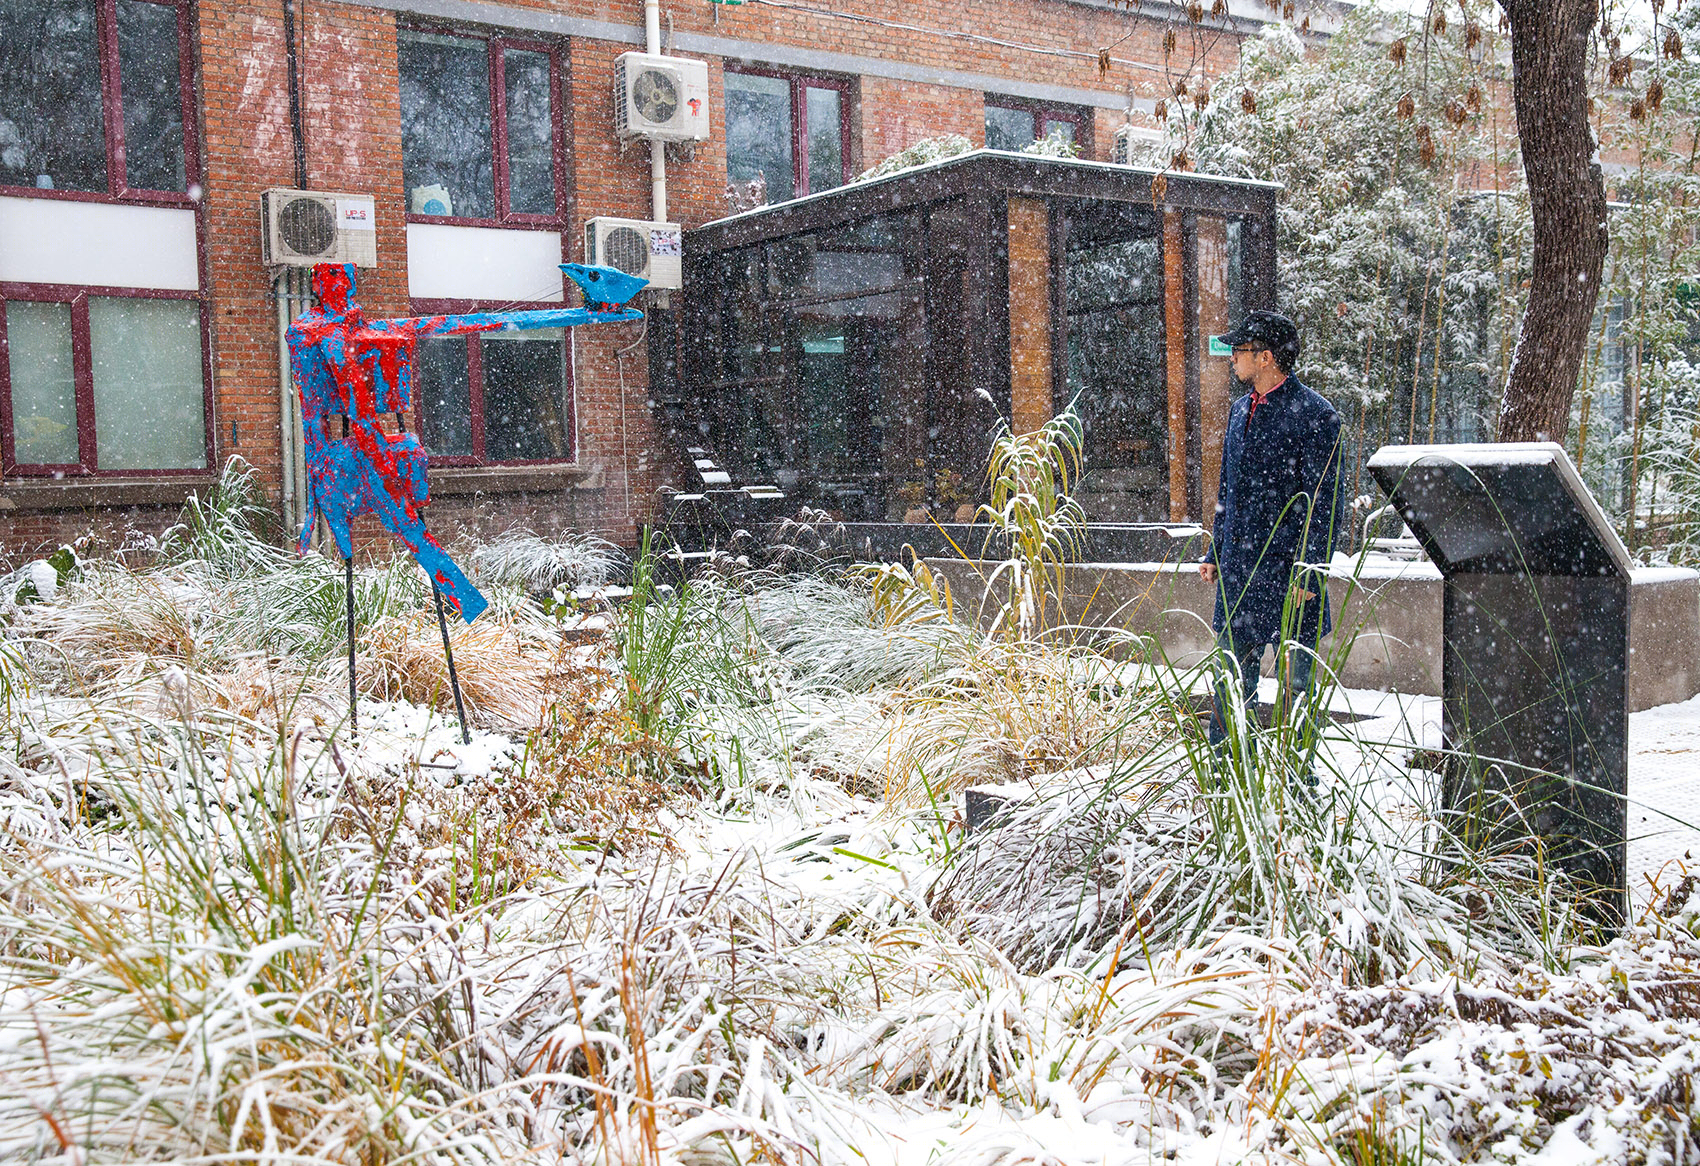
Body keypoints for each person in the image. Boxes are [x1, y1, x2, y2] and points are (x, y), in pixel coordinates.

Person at [1197, 310, 1345, 753]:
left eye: (1238, 351)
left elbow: (1326, 503)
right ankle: (1229, 773)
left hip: (1290, 574)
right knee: (1230, 682)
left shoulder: (1317, 415)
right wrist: (1214, 551)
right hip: (1239, 571)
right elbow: (1228, 489)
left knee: (1298, 690)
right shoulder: (1241, 409)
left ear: (1265, 357)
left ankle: (1298, 781)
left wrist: (1310, 572)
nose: (1231, 358)